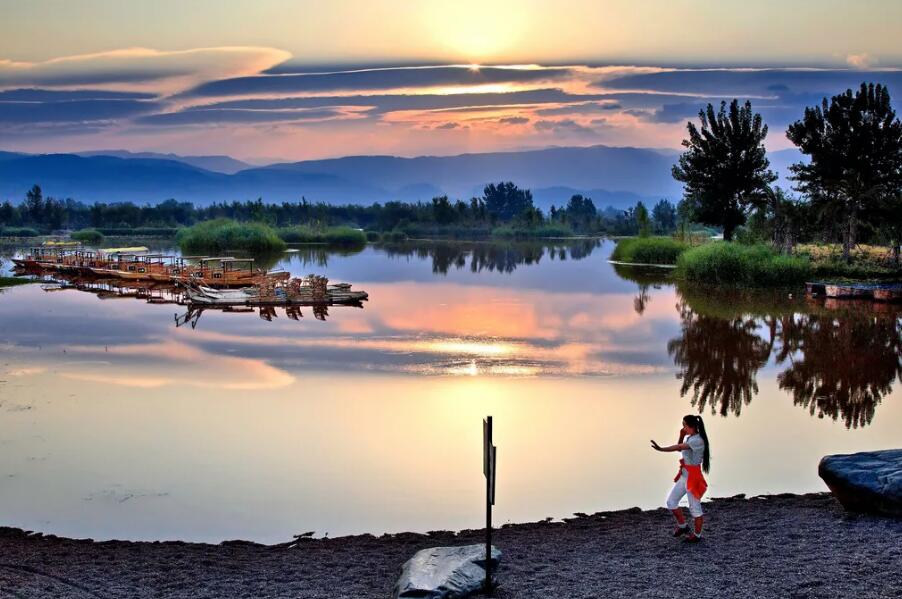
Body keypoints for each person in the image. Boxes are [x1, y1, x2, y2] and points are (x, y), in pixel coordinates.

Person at [650, 414, 710, 542]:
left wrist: (661, 449)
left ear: (691, 426)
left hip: (693, 478)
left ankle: (697, 535)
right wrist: (682, 435)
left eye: (684, 425)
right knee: (671, 502)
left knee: (695, 509)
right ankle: (683, 526)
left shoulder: (697, 440)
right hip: (684, 476)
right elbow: (680, 448)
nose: (683, 428)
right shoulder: (690, 438)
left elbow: (678, 447)